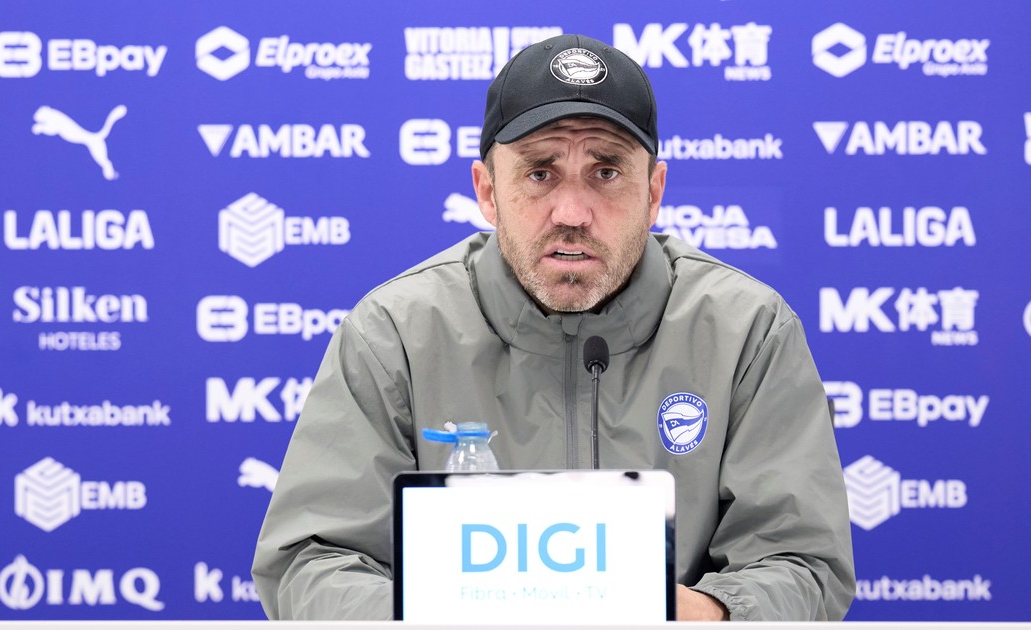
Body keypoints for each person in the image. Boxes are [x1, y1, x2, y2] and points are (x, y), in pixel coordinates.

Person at [251, 33, 854, 621]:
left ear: (654, 192)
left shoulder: (748, 330)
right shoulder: (395, 334)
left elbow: (802, 562)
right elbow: (312, 560)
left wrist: (713, 611)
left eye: (606, 172)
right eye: (540, 173)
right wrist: (447, 617)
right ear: (488, 191)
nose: (572, 213)